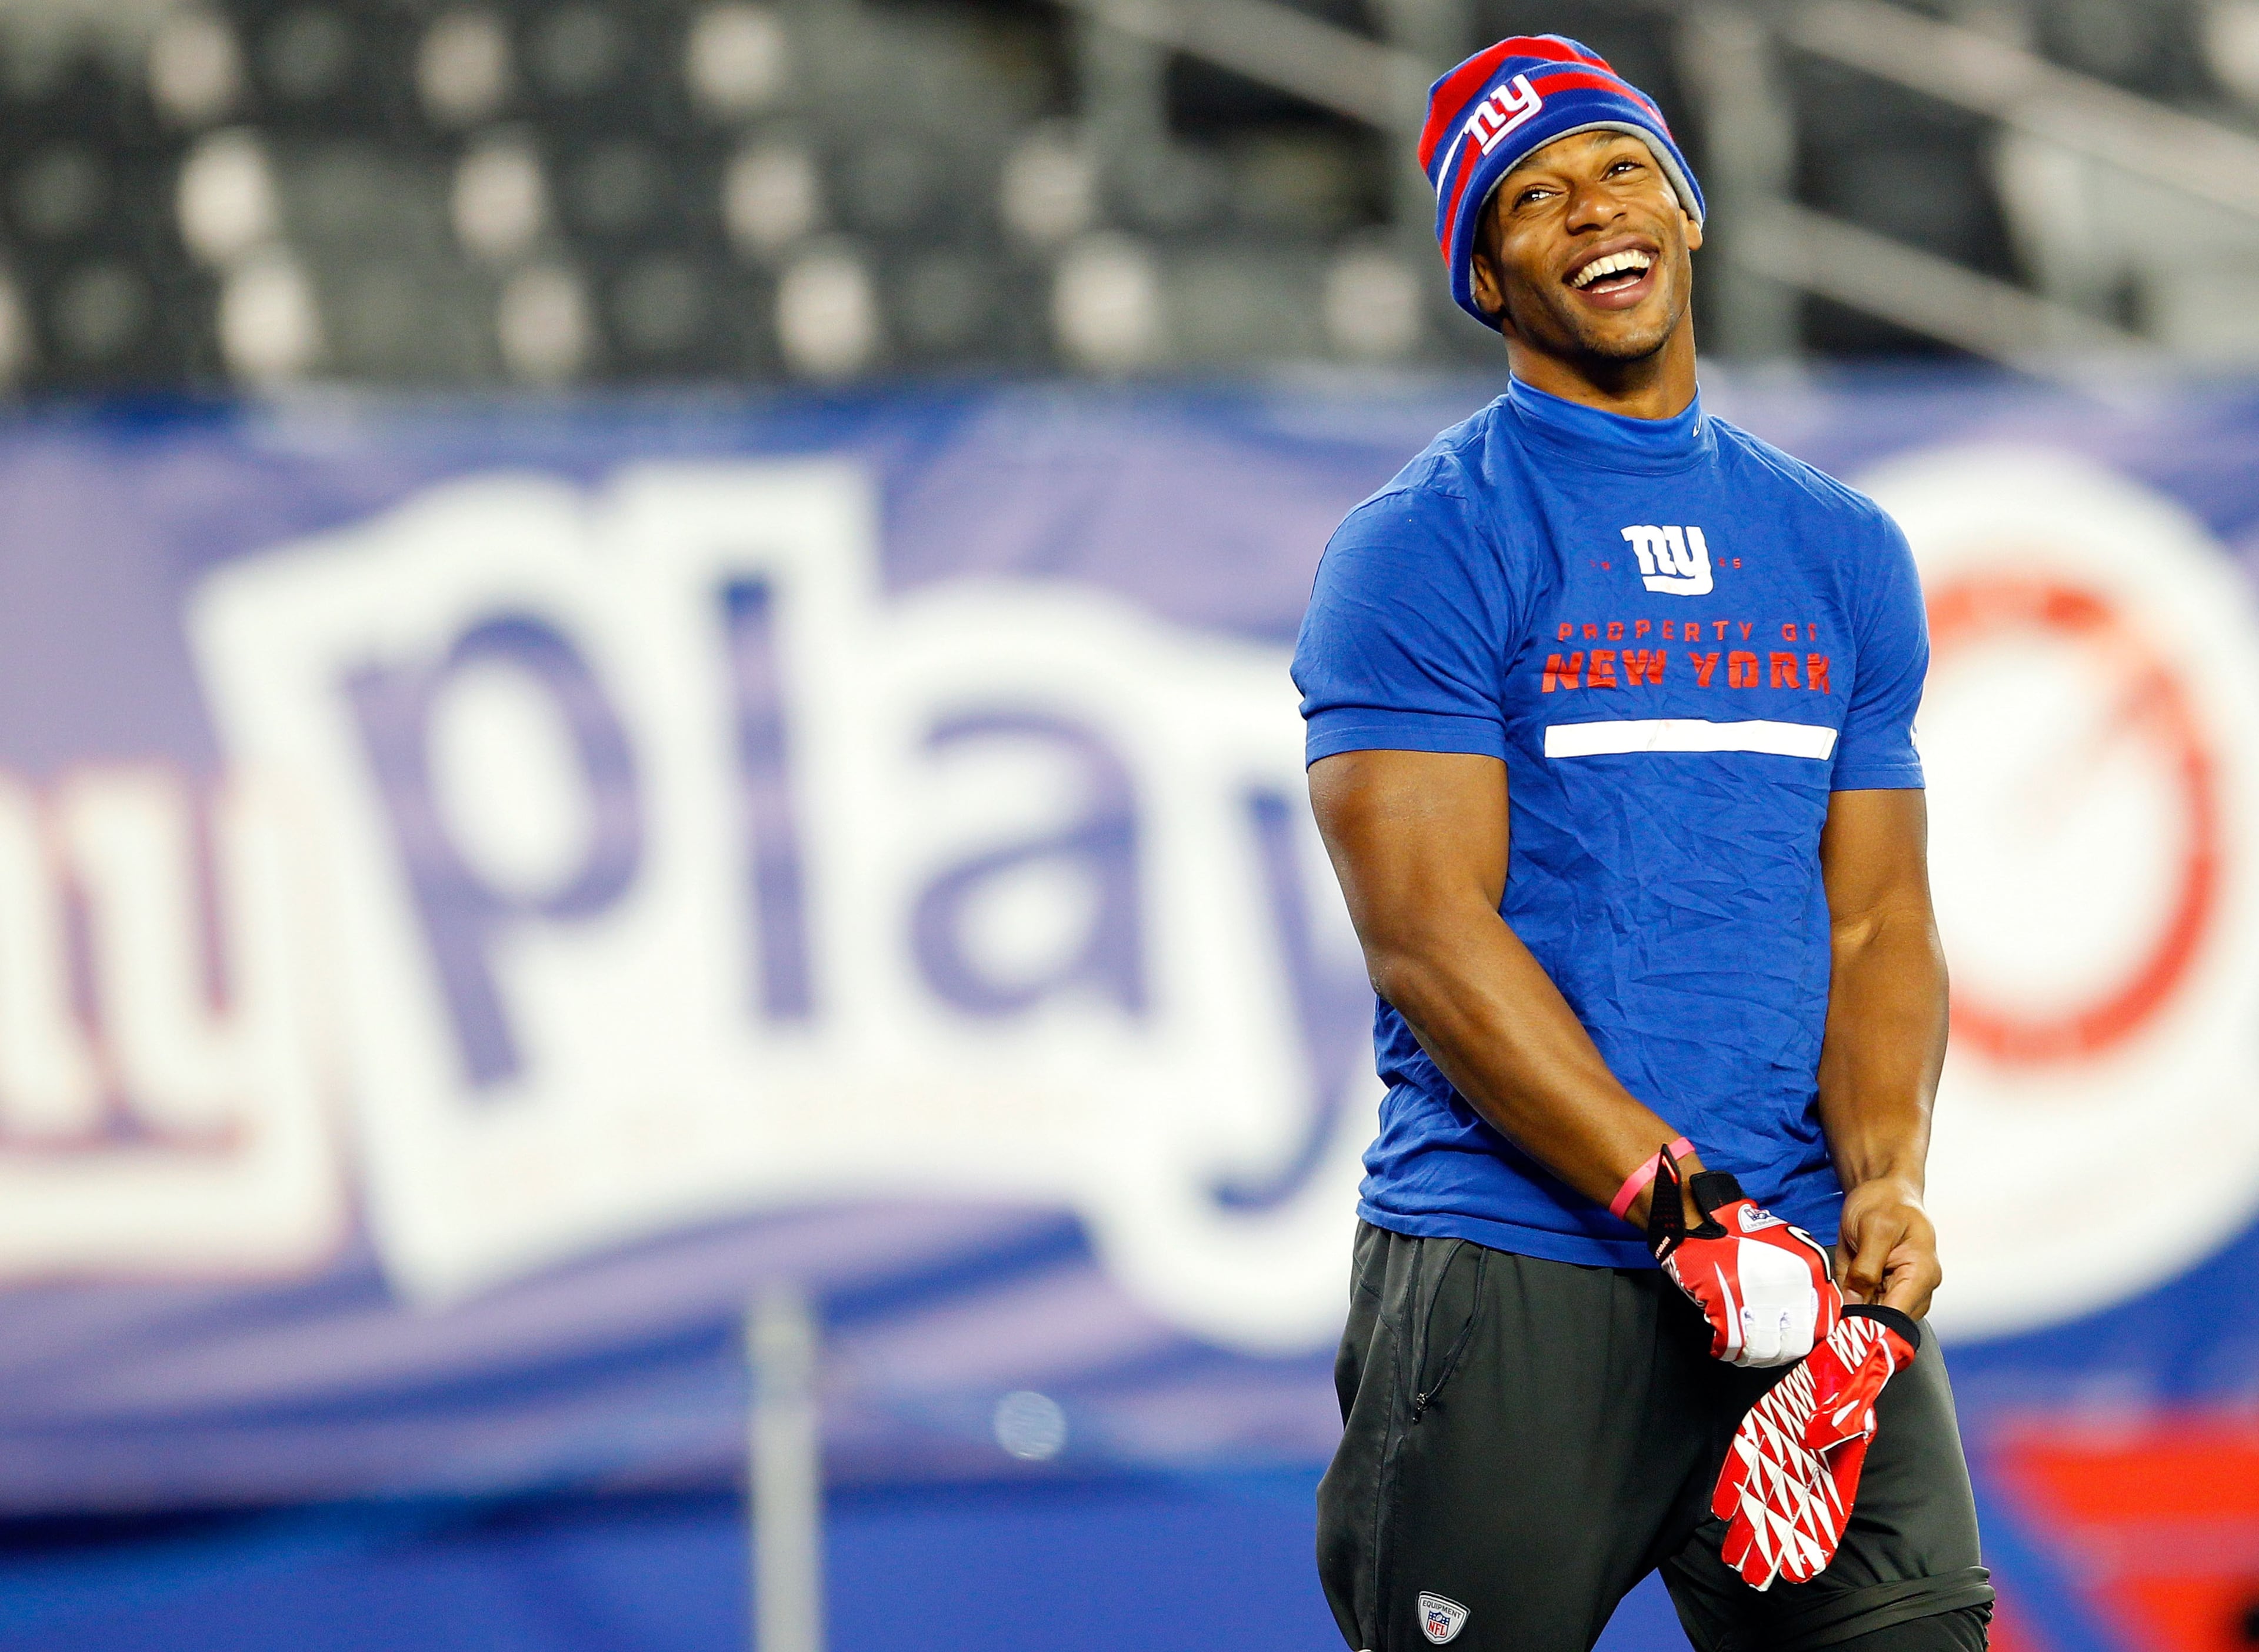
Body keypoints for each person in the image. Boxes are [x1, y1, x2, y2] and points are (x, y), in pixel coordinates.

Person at [1292, 35, 1994, 1652]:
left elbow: (1880, 917)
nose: (1589, 210)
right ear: (1484, 274)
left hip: (1807, 1277)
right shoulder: (1419, 548)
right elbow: (1430, 936)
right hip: (1525, 1274)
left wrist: (1886, 1177)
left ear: (1687, 208)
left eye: (1619, 167)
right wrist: (1679, 1208)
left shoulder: (1838, 545)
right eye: (1528, 198)